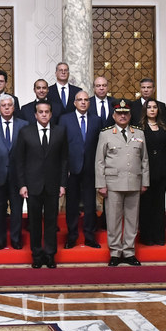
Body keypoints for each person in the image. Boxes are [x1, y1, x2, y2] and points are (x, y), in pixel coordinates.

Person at [95, 100, 149, 267]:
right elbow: (99, 161)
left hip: (134, 181)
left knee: (133, 220)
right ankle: (115, 252)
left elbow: (144, 160)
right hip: (113, 183)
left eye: (125, 113)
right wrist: (101, 184)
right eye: (119, 113)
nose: (123, 116)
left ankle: (129, 251)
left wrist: (145, 181)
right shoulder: (106, 134)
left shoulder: (139, 133)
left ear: (130, 115)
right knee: (113, 219)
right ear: (114, 115)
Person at [16, 100, 68, 268]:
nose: (44, 114)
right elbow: (20, 161)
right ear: (35, 114)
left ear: (51, 114)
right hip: (32, 185)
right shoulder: (25, 132)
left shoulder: (60, 132)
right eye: (41, 112)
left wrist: (62, 184)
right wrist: (22, 184)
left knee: (52, 222)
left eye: (47, 111)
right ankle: (37, 255)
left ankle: (50, 255)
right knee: (35, 222)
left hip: (53, 185)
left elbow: (64, 160)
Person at [0, 94, 28, 250]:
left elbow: (27, 153)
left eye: (10, 105)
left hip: (18, 177)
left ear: (14, 107)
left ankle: (16, 239)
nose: (7, 107)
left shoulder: (24, 125)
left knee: (17, 211)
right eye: (4, 105)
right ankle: (0, 240)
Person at [58, 91, 101, 249]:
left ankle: (90, 237)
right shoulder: (65, 119)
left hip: (91, 169)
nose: (83, 102)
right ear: (74, 103)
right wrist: (64, 168)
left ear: (89, 103)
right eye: (79, 100)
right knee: (72, 205)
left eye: (86, 100)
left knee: (90, 205)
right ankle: (72, 236)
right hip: (72, 169)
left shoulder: (97, 120)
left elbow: (100, 145)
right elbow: (61, 146)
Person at [138, 98, 166, 246]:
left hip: (162, 170)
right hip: (146, 170)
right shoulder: (139, 127)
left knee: (159, 204)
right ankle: (147, 237)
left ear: (158, 110)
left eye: (155, 107)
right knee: (146, 204)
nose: (152, 109)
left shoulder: (164, 126)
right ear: (145, 110)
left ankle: (159, 236)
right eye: (149, 107)